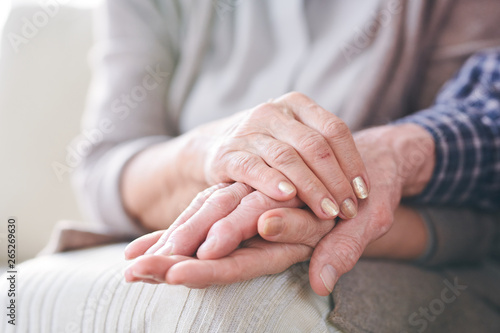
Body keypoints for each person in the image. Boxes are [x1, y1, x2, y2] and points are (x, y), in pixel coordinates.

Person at [124, 49, 500, 295]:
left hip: (412, 228)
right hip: (198, 202)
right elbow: (103, 164)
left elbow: (482, 219)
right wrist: (210, 152)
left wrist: (354, 204)